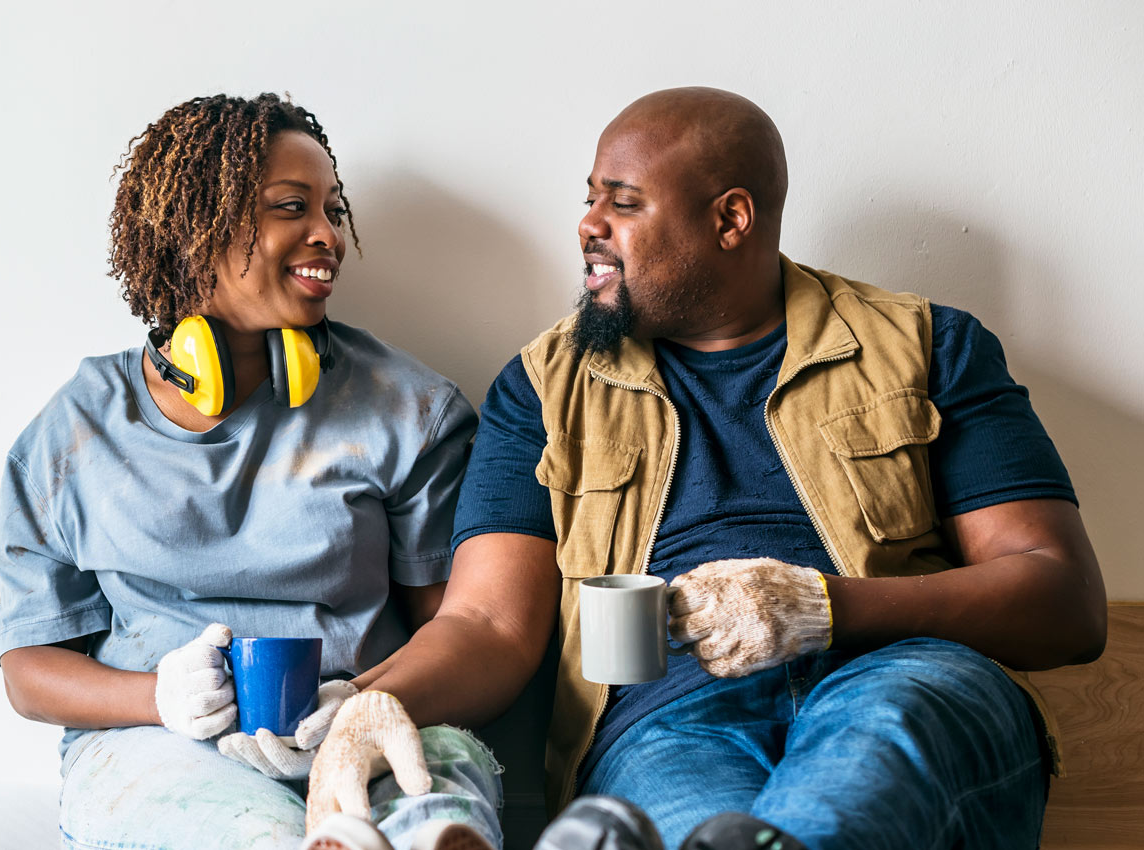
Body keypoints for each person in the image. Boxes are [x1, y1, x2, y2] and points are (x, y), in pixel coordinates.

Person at [308, 87, 1106, 850]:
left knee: (888, 730)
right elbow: (486, 622)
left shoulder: (927, 345)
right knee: (691, 824)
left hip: (901, 673)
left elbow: (1064, 601)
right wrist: (374, 700)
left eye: (621, 202)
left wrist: (822, 608)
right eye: (588, 199)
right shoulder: (544, 388)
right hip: (668, 722)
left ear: (730, 218)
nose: (587, 225)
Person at [0, 93, 503, 850]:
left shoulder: (407, 408)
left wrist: (363, 704)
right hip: (164, 752)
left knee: (437, 814)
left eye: (332, 209)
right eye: (291, 207)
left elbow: (455, 629)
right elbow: (30, 670)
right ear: (193, 228)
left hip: (370, 721)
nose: (327, 235)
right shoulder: (73, 433)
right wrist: (159, 698)